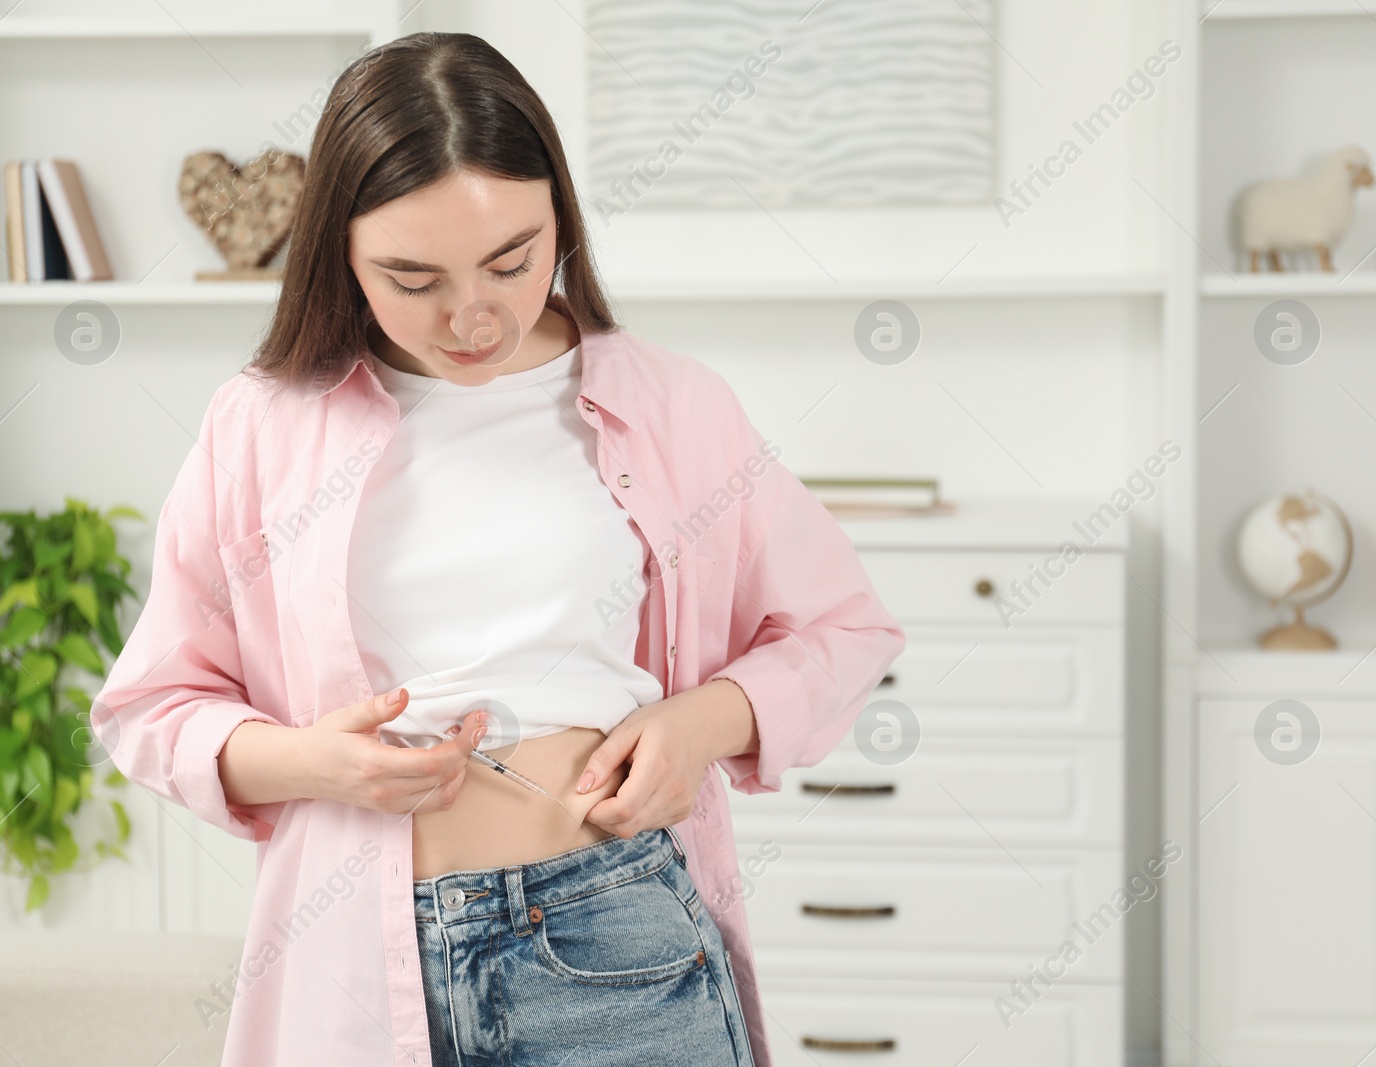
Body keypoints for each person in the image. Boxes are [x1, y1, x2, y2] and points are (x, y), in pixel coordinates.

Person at [92, 31, 904, 1067]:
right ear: (338, 252)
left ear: (558, 218)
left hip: (614, 939)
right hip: (349, 962)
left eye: (511, 261)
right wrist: (313, 762)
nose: (470, 315)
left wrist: (701, 721)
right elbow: (150, 706)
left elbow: (844, 626)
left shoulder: (670, 404)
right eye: (411, 275)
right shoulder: (260, 425)